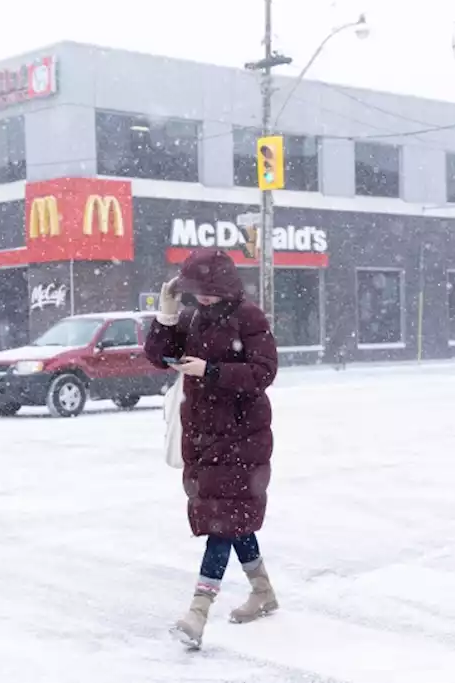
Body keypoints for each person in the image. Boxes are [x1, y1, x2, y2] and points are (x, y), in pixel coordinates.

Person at [144, 249, 279, 649]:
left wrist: (212, 371)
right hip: (203, 437)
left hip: (242, 436)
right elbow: (157, 357)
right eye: (193, 292)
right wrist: (166, 315)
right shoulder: (192, 318)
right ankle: (263, 592)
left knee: (222, 523)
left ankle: (197, 614)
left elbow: (263, 371)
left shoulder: (249, 318)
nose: (200, 299)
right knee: (233, 518)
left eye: (206, 292)